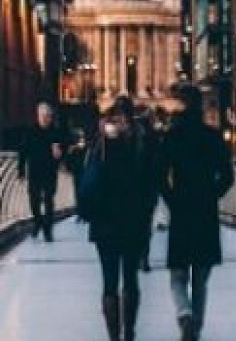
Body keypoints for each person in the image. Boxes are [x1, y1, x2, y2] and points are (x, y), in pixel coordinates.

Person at [159, 84, 234, 341]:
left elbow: (159, 176)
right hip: (205, 212)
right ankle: (196, 328)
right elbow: (228, 176)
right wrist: (213, 195)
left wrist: (172, 200)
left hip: (181, 211)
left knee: (177, 275)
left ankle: (184, 314)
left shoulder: (171, 136)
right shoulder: (213, 137)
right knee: (201, 278)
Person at [80, 95, 156, 341]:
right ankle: (129, 333)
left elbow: (85, 180)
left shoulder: (99, 146)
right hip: (133, 223)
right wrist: (146, 215)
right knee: (130, 279)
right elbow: (150, 187)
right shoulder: (141, 145)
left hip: (105, 225)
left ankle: (115, 337)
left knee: (109, 282)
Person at [17, 102, 65, 242]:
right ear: (38, 116)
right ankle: (38, 222)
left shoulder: (56, 132)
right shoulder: (30, 131)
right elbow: (23, 151)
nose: (45, 119)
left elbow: (63, 149)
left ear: (51, 117)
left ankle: (48, 231)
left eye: (48, 116)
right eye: (43, 116)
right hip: (35, 172)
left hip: (50, 172)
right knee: (34, 201)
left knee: (49, 201)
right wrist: (21, 171)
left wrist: (60, 155)